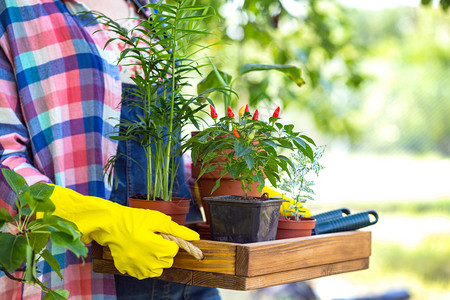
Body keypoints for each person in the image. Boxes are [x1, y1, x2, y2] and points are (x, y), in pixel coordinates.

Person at [0, 0, 219, 299]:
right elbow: (4, 161)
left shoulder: (153, 10)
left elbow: (162, 146)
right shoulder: (15, 10)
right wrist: (98, 219)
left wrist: (221, 185)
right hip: (88, 268)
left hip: (186, 263)